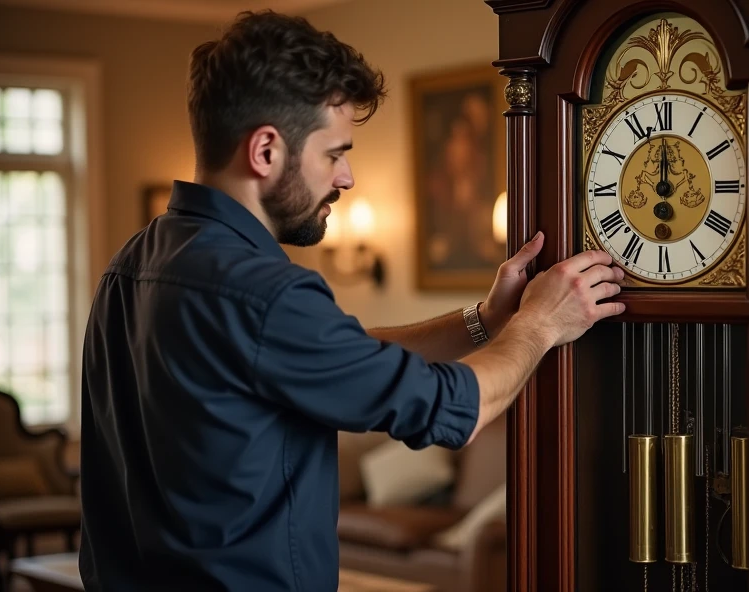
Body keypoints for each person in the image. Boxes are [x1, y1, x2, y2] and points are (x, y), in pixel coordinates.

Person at [77, 9, 625, 592]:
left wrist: (487, 321)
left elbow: (346, 353)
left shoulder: (130, 267)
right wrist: (542, 324)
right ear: (265, 151)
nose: (347, 178)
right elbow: (452, 410)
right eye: (334, 153)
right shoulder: (264, 292)